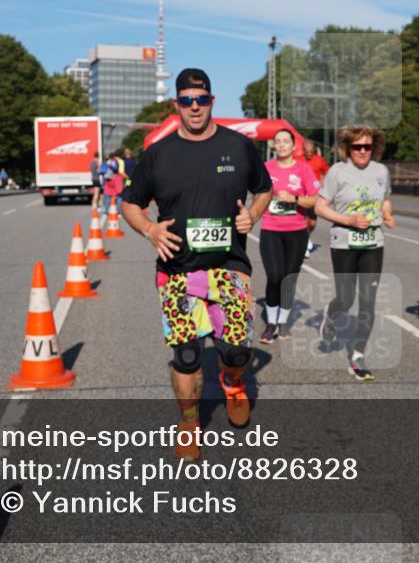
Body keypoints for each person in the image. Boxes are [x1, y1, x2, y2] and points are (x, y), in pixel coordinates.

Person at [121, 68, 272, 461]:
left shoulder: (239, 147)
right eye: (186, 100)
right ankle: (189, 421)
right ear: (176, 105)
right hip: (178, 270)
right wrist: (150, 230)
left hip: (230, 267)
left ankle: (233, 382)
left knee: (237, 351)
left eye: (201, 99)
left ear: (211, 102)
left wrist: (252, 214)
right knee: (187, 355)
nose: (194, 107)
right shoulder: (158, 154)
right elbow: (129, 203)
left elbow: (265, 188)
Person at [314, 125, 395, 381]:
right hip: (344, 243)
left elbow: (384, 199)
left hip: (373, 243)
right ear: (348, 148)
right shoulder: (338, 172)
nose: (362, 151)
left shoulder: (381, 171)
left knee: (368, 301)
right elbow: (319, 206)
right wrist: (346, 220)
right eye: (357, 146)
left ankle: (358, 355)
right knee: (346, 299)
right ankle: (331, 315)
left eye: (367, 147)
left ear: (374, 148)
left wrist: (387, 214)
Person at [258, 129, 321, 343]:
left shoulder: (303, 169)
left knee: (288, 279)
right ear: (273, 146)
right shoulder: (266, 168)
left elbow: (315, 199)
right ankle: (270, 323)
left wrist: (294, 198)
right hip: (271, 230)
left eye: (287, 141)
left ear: (294, 146)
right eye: (278, 141)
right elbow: (257, 194)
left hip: (296, 232)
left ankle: (283, 323)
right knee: (274, 276)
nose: (282, 145)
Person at [301, 139, 330, 257]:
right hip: (302, 194)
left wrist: (322, 181)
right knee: (303, 220)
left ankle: (307, 237)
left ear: (313, 150)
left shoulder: (319, 160)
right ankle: (304, 243)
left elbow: (327, 172)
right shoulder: (298, 160)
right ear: (303, 150)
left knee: (312, 223)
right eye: (306, 151)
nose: (308, 153)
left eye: (310, 151)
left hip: (314, 195)